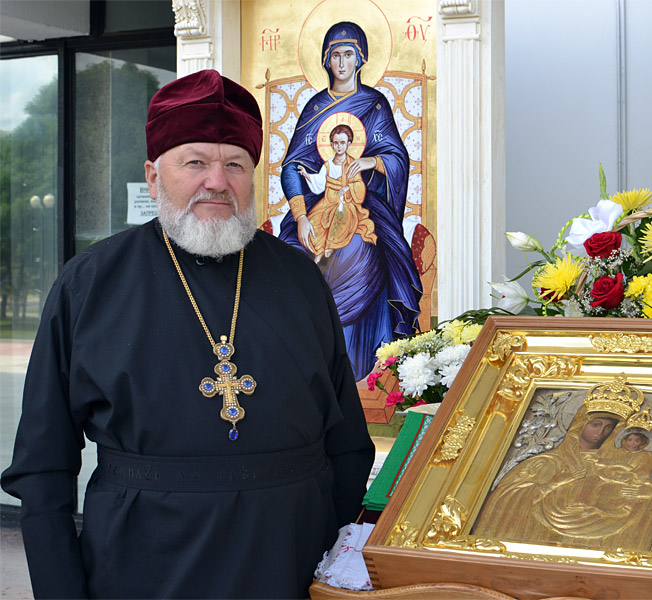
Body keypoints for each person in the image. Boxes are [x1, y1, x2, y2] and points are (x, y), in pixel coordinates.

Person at [1, 69, 375, 599]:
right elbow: (43, 468)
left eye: (234, 164)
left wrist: (330, 570)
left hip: (289, 566)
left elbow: (349, 446)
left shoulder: (300, 278)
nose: (217, 181)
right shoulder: (90, 284)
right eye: (195, 162)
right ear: (154, 177)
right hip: (140, 570)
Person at [279, 21, 422, 381]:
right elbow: (293, 166)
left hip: (364, 204)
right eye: (335, 56)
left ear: (360, 59)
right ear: (325, 61)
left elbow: (396, 157)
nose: (341, 63)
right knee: (293, 254)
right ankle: (302, 361)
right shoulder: (315, 107)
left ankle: (358, 365)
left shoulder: (374, 104)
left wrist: (372, 162)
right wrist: (300, 216)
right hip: (316, 206)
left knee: (359, 251)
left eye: (348, 55)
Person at [473, 379, 652, 550]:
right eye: (595, 425)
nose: (601, 433)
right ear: (579, 425)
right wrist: (553, 484)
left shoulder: (614, 463)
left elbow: (640, 488)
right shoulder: (546, 462)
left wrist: (645, 493)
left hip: (600, 538)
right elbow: (505, 498)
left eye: (608, 428)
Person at [296, 124, 377, 262]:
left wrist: (348, 188)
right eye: (336, 143)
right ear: (332, 145)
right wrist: (306, 175)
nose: (339, 146)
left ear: (349, 144)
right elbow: (320, 182)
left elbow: (359, 186)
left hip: (345, 203)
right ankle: (319, 250)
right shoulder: (327, 164)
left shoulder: (352, 164)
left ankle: (329, 246)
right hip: (328, 202)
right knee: (313, 222)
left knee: (341, 216)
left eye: (342, 143)